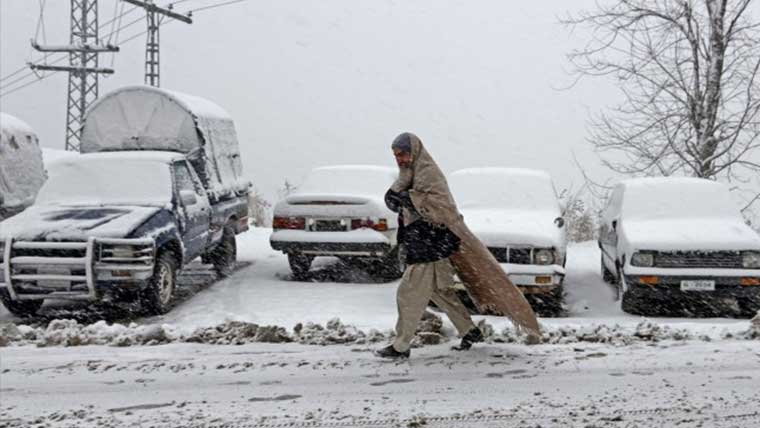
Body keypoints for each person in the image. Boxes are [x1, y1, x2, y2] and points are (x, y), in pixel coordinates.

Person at [376, 132, 483, 359]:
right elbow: (403, 195)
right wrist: (395, 196)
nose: (400, 159)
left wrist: (407, 199)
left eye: (403, 154)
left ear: (414, 151)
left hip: (429, 242)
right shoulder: (409, 173)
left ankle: (401, 346)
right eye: (396, 155)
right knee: (440, 292)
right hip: (428, 242)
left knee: (408, 295)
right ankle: (469, 330)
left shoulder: (428, 173)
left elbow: (438, 205)